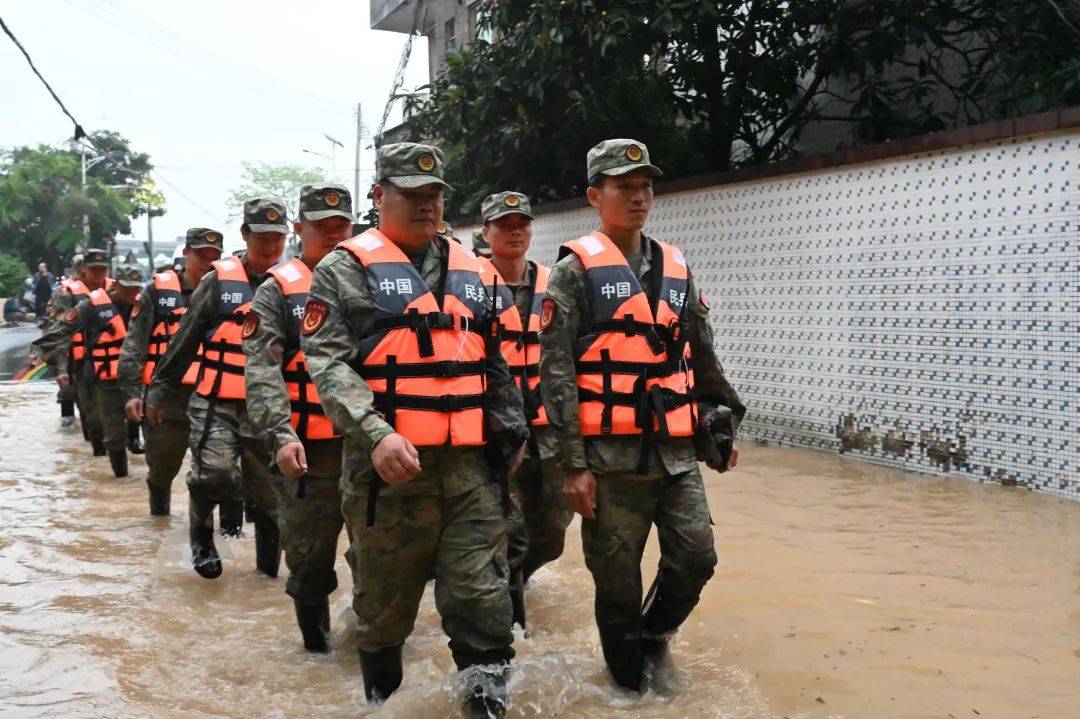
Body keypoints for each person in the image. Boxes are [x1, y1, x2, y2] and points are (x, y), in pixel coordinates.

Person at [301, 143, 528, 716]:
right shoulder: (342, 270)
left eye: (434, 195)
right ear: (380, 196)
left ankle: (485, 707)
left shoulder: (475, 270)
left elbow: (494, 360)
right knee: (383, 612)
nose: (427, 206)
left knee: (484, 602)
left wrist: (512, 431)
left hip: (472, 469)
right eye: (411, 194)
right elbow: (327, 363)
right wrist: (375, 433)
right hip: (388, 473)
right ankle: (384, 703)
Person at [538, 138, 747, 693]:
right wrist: (572, 466)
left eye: (645, 186)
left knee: (696, 558)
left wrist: (724, 423)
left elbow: (700, 353)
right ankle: (627, 688)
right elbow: (555, 376)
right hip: (608, 462)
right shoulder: (571, 273)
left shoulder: (676, 266)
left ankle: (654, 637)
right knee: (616, 582)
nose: (638, 196)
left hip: (676, 454)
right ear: (594, 195)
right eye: (623, 186)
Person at [146, 199, 287, 580]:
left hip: (269, 405)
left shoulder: (295, 280)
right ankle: (202, 538)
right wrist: (158, 390)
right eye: (263, 238)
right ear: (245, 235)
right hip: (216, 400)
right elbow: (184, 341)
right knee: (215, 473)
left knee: (269, 497)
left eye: (278, 237)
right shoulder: (218, 281)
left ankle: (266, 571)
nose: (271, 246)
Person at [244, 183, 354, 652]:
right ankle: (317, 650)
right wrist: (280, 433)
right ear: (300, 229)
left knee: (384, 558)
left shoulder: (373, 279)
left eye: (340, 227)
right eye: (321, 227)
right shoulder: (278, 291)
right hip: (308, 448)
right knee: (309, 562)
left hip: (371, 443)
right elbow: (262, 367)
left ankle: (374, 652)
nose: (332, 236)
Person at [477, 190, 571, 633]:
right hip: (496, 430)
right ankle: (513, 626)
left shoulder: (557, 284)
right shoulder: (469, 284)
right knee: (509, 531)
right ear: (486, 232)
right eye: (504, 224)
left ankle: (518, 578)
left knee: (550, 535)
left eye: (522, 224)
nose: (515, 231)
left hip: (549, 428)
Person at [117, 228, 224, 516]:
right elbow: (134, 344)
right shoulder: (156, 292)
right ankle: (159, 518)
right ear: (186, 252)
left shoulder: (228, 291)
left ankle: (218, 535)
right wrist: (133, 393)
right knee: (162, 468)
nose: (207, 260)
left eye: (215, 255)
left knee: (221, 473)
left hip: (216, 395)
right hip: (168, 398)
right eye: (201, 253)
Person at [40, 263, 146, 477]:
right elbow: (60, 330)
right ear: (116, 285)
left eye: (136, 288)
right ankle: (120, 478)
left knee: (146, 428)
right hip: (105, 377)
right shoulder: (93, 305)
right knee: (110, 433)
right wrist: (46, 354)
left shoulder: (145, 304)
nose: (132, 292)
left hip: (138, 378)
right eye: (128, 287)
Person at [34, 249, 114, 451]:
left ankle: (115, 461)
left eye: (102, 269)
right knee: (90, 415)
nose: (98, 274)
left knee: (114, 416)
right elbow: (56, 334)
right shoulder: (67, 294)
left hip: (112, 361)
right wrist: (60, 369)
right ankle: (95, 454)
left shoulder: (117, 291)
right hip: (79, 363)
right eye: (93, 270)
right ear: (82, 270)